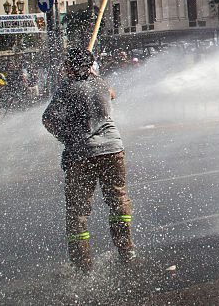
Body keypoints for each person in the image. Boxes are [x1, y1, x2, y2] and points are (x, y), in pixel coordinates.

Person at [42, 47, 137, 272]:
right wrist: (92, 75)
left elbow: (48, 119)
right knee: (118, 200)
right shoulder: (101, 84)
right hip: (113, 149)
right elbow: (112, 94)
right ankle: (126, 250)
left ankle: (82, 264)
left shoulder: (66, 88)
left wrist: (66, 137)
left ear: (69, 67)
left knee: (78, 211)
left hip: (80, 155)